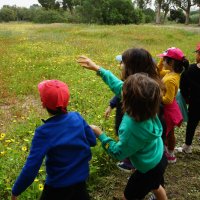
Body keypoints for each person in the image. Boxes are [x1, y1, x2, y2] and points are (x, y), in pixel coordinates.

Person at [78, 56, 168, 200]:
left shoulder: (131, 127)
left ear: (127, 99)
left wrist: (100, 134)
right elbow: (117, 85)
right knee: (156, 185)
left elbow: (118, 152)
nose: (121, 88)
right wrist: (97, 68)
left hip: (148, 169)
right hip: (159, 157)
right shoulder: (147, 106)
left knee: (129, 195)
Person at [11, 80, 96, 200]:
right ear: (67, 100)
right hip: (80, 182)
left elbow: (31, 167)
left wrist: (16, 190)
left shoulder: (44, 132)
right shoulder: (77, 117)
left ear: (43, 104)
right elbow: (92, 141)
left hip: (57, 188)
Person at [157, 47, 189, 163]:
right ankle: (168, 150)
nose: (163, 62)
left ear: (171, 62)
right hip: (168, 109)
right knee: (168, 131)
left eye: (165, 60)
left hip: (169, 109)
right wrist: (162, 59)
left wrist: (158, 94)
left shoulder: (171, 79)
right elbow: (158, 72)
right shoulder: (170, 73)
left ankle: (170, 154)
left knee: (169, 132)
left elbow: (168, 100)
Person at [105, 55, 134, 172]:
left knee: (125, 134)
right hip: (122, 113)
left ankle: (128, 161)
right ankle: (127, 158)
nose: (119, 65)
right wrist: (110, 106)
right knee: (121, 132)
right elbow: (118, 95)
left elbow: (119, 94)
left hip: (125, 115)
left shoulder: (131, 84)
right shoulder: (127, 82)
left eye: (122, 63)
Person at [177, 43, 200, 153]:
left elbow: (183, 88)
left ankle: (187, 146)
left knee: (192, 124)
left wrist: (187, 99)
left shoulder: (189, 70)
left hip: (195, 103)